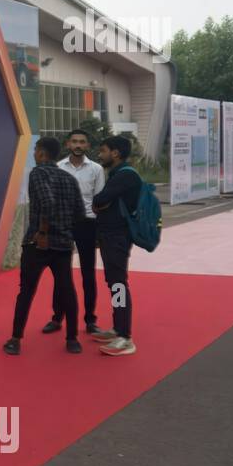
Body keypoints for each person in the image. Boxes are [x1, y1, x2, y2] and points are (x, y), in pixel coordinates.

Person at [4, 137, 82, 355]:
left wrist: (44, 232)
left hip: (38, 243)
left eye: (35, 150)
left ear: (41, 153)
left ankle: (15, 339)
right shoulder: (69, 178)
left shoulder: (38, 173)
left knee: (26, 291)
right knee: (67, 290)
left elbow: (47, 202)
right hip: (64, 245)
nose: (34, 153)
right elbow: (78, 211)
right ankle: (72, 339)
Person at [43, 129, 106, 336]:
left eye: (82, 141)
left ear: (87, 146)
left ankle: (90, 320)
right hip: (62, 225)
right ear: (68, 144)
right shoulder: (58, 167)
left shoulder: (96, 169)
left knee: (88, 274)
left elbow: (99, 201)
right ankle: (57, 317)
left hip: (88, 224)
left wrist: (98, 232)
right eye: (75, 141)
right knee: (62, 274)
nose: (78, 145)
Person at [91, 135, 142, 356]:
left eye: (103, 150)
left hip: (117, 238)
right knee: (114, 283)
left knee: (119, 284)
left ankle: (125, 337)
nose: (99, 154)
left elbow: (100, 199)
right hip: (111, 237)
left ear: (115, 153)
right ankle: (117, 327)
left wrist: (98, 202)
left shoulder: (125, 176)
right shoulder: (118, 174)